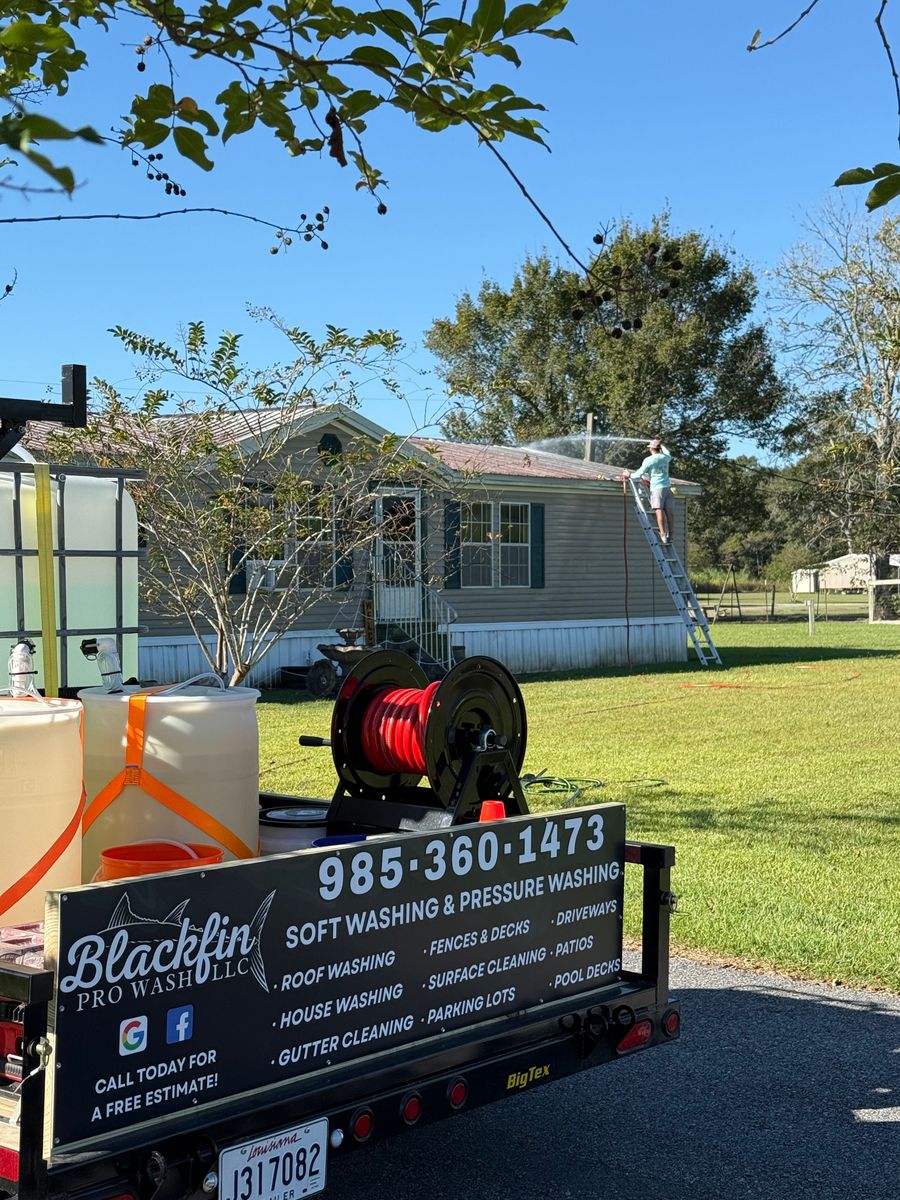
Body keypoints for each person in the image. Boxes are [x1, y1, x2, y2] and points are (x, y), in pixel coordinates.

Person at [623, 437, 675, 544]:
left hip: (657, 488)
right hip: (667, 487)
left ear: (651, 449)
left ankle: (663, 534)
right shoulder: (665, 458)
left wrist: (629, 475)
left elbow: (638, 474)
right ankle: (671, 534)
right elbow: (668, 453)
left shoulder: (649, 460)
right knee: (669, 512)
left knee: (658, 510)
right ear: (659, 448)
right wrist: (662, 444)